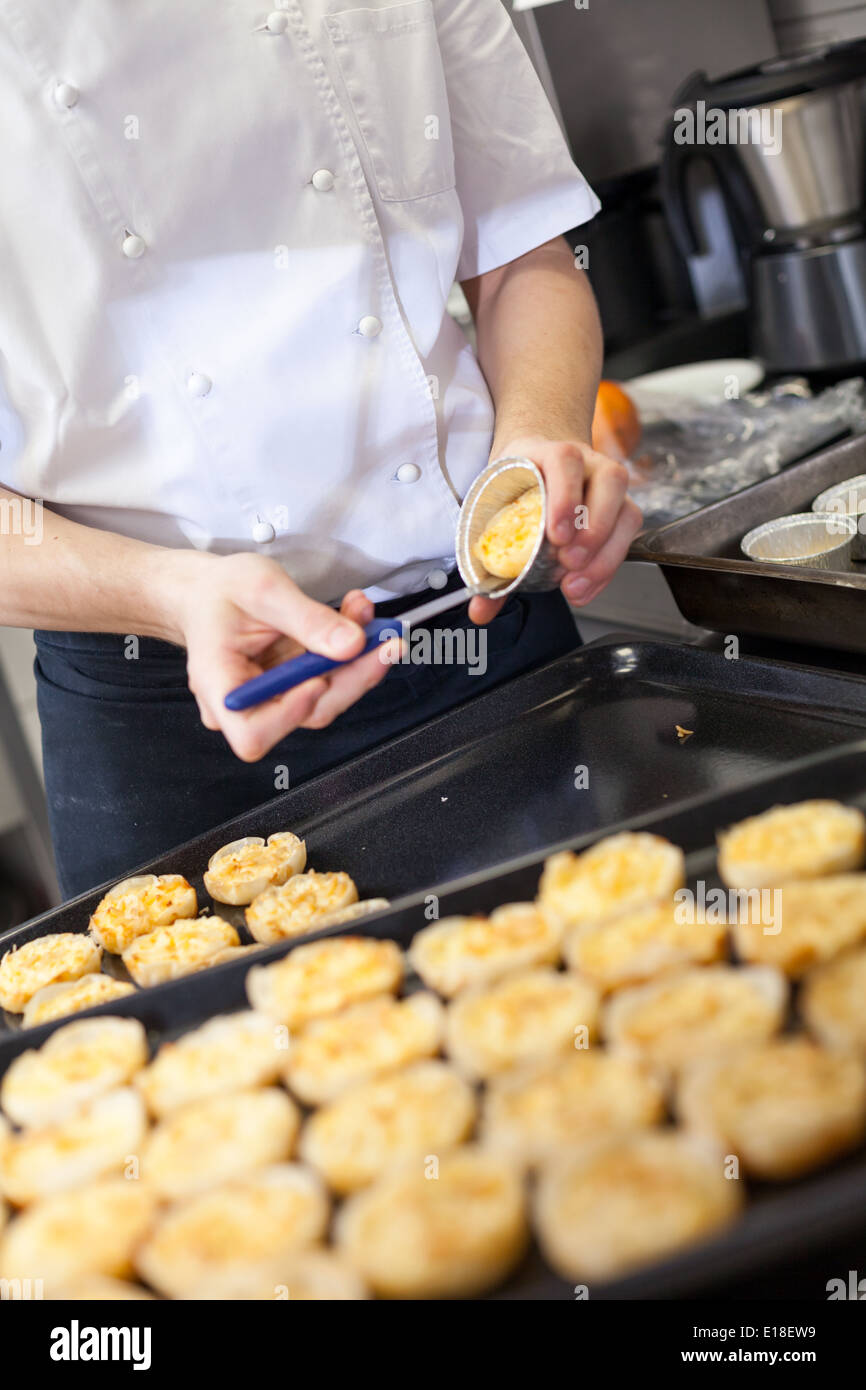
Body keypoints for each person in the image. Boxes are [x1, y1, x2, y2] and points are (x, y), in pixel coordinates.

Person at [0, 0, 641, 898]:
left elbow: (520, 253)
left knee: (604, 1000)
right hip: (178, 709)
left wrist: (539, 439)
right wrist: (169, 597)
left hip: (487, 628)